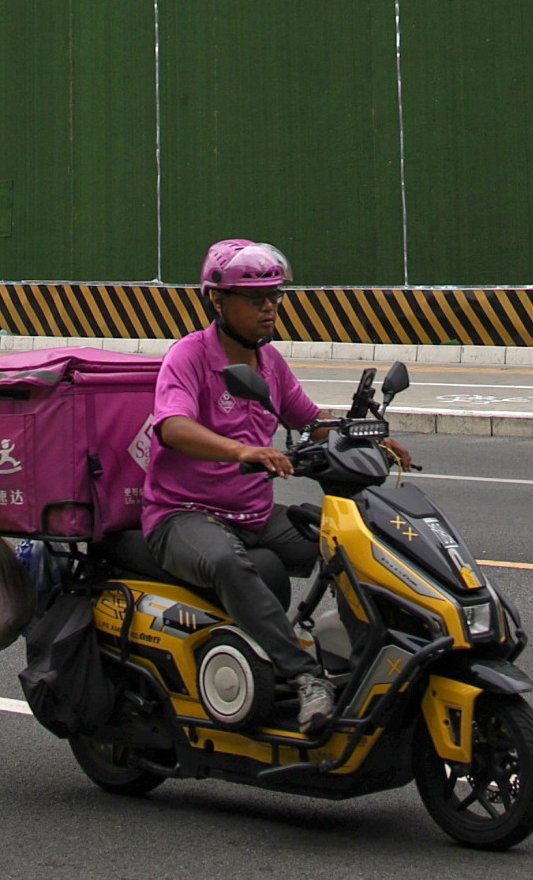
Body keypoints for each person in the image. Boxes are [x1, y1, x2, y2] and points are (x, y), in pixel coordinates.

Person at [142, 237, 407, 734]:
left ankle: (369, 653)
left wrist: (371, 439)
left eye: (275, 297)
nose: (270, 308)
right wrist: (241, 450)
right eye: (255, 299)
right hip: (182, 514)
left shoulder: (270, 363)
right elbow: (171, 426)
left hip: (254, 515)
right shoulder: (189, 357)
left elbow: (308, 421)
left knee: (347, 543)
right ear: (216, 301)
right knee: (226, 562)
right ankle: (308, 679)